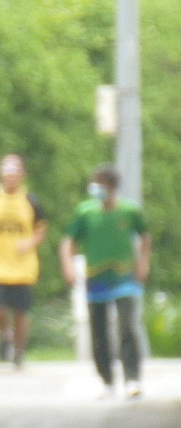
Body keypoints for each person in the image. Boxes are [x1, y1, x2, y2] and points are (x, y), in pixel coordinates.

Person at [61, 164, 151, 397]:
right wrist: (69, 267)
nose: (96, 189)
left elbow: (145, 236)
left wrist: (142, 263)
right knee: (98, 331)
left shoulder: (129, 211)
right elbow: (68, 242)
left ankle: (132, 378)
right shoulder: (86, 212)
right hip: (96, 279)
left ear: (112, 187)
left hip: (124, 277)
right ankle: (107, 380)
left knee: (127, 327)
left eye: (100, 185)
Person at [0, 153, 47, 369]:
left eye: (15, 173)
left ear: (22, 175)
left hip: (22, 264)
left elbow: (41, 229)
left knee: (21, 311)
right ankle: (6, 334)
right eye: (7, 172)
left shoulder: (30, 201)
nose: (10, 177)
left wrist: (30, 242)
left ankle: (19, 351)